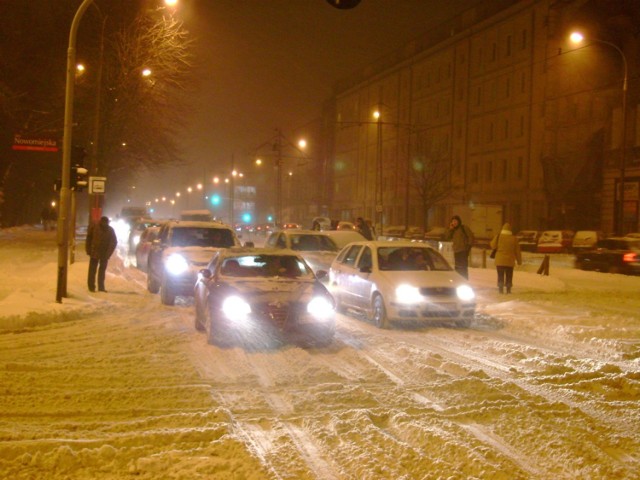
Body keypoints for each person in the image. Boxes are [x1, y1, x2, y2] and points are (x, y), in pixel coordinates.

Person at [85, 216, 118, 292]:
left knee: (93, 271)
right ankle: (100, 287)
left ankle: (92, 287)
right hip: (103, 253)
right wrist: (108, 253)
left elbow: (88, 238)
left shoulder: (95, 228)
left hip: (95, 252)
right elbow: (114, 242)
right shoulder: (110, 230)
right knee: (101, 271)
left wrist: (88, 249)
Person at [490, 222, 522, 294]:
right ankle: (508, 289)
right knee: (509, 275)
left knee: (500, 275)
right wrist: (519, 261)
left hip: (500, 260)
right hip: (510, 261)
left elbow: (492, 246)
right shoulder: (514, 239)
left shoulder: (498, 236)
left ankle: (500, 289)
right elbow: (517, 251)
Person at [444, 215, 474, 279]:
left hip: (463, 251)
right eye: (453, 221)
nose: (454, 223)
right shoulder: (453, 230)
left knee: (463, 267)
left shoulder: (464, 228)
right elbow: (447, 237)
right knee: (457, 267)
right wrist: (450, 230)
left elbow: (471, 237)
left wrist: (468, 247)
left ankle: (464, 280)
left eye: (455, 221)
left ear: (458, 221)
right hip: (456, 251)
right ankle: (458, 279)